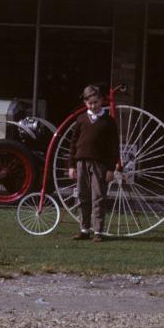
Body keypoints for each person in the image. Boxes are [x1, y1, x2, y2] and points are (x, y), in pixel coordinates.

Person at [67, 84, 120, 242]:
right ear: (85, 103)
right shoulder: (81, 119)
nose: (93, 106)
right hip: (81, 162)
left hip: (100, 164)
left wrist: (111, 168)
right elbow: (73, 143)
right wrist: (71, 165)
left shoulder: (108, 121)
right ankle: (84, 229)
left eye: (96, 102)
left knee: (98, 197)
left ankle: (98, 232)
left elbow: (114, 146)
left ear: (101, 100)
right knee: (83, 196)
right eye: (90, 103)